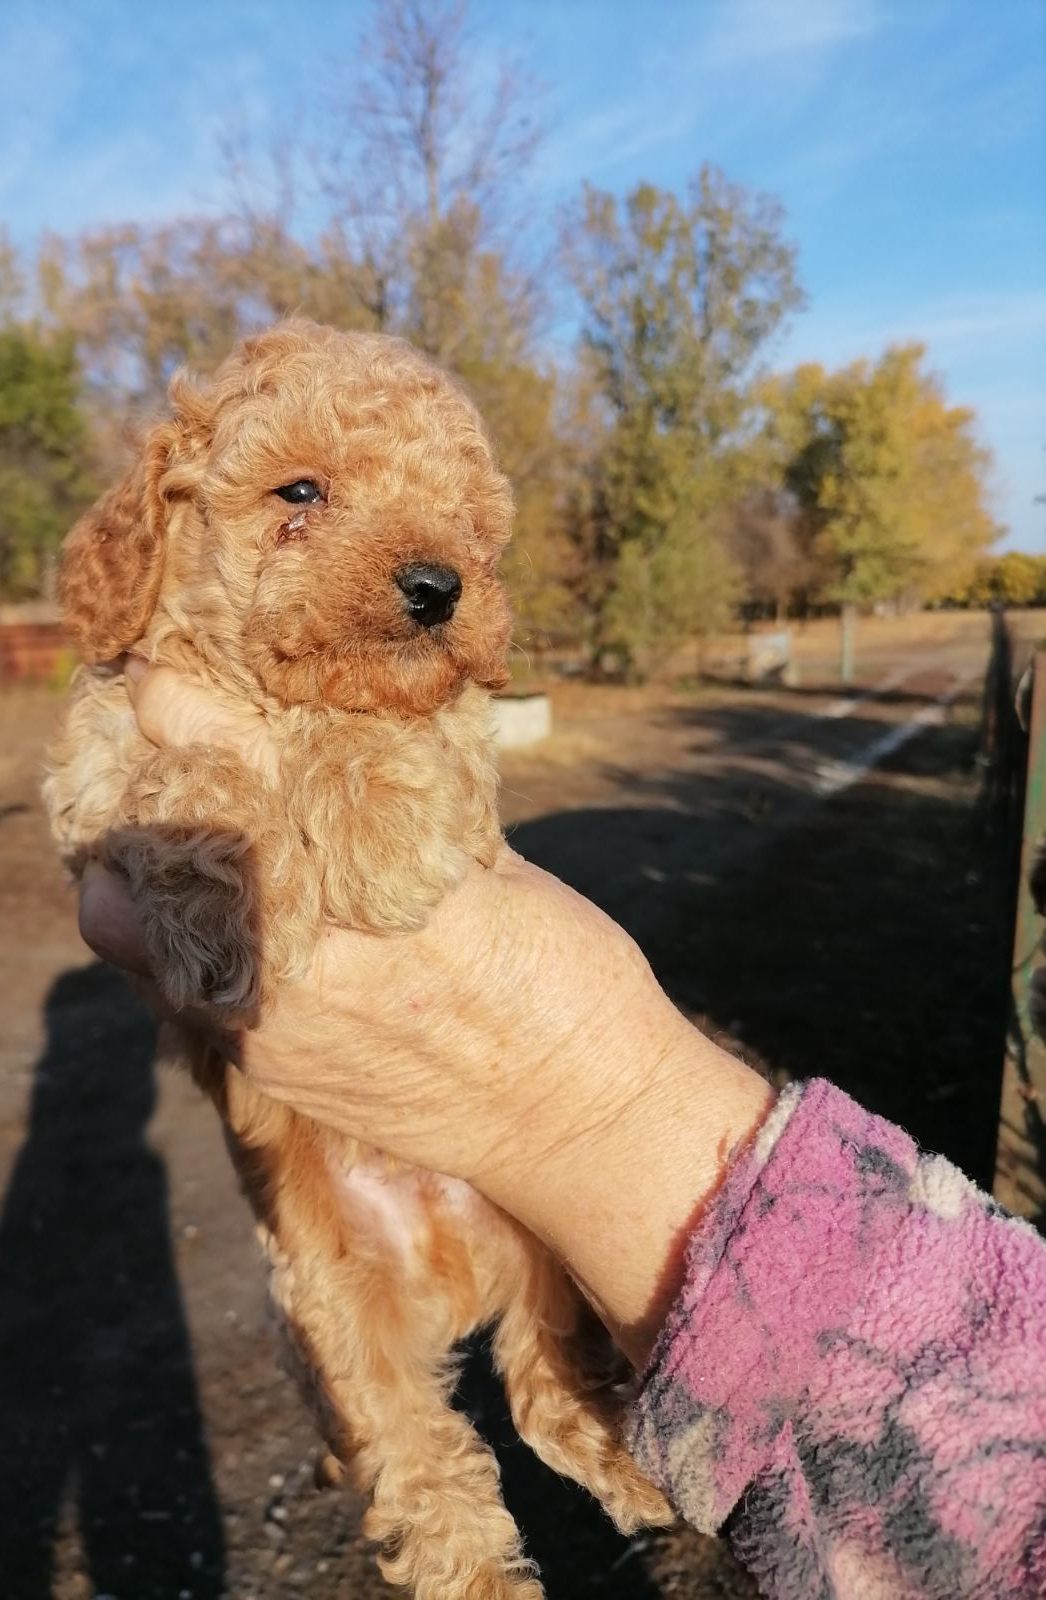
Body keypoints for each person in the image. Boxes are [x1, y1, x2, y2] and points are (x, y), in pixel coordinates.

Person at [79, 660, 1046, 1600]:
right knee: (353, 1337)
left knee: (536, 1285)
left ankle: (561, 1386)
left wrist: (569, 1096)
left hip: (453, 1168)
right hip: (326, 1182)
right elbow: (96, 809)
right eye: (298, 495)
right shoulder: (145, 682)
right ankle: (450, 1545)